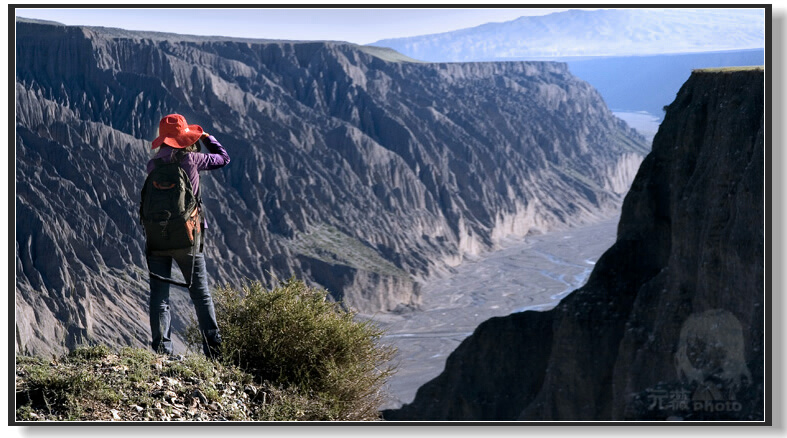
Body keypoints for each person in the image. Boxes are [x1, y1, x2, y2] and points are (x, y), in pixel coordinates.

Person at [145, 113, 230, 359]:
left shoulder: (153, 165)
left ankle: (163, 352)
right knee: (201, 296)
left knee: (159, 297)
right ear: (184, 137)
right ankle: (215, 354)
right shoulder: (193, 159)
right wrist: (206, 137)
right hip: (188, 238)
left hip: (157, 237)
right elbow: (224, 159)